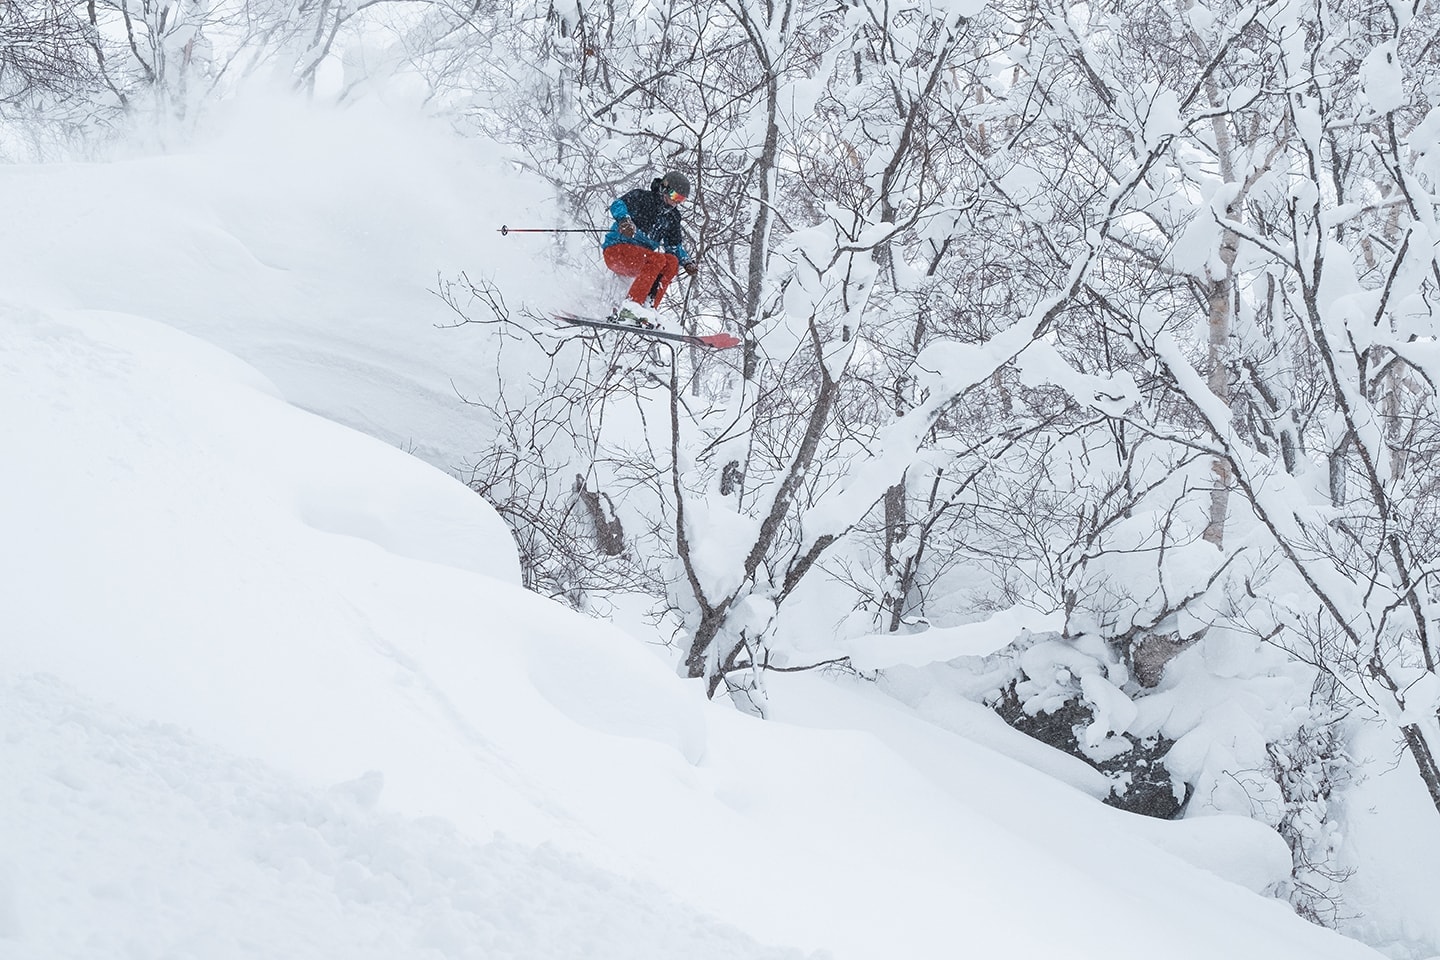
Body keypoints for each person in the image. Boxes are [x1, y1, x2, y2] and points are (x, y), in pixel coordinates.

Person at [602, 171, 698, 325]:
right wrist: (625, 220)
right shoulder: (642, 197)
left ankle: (646, 309)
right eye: (674, 196)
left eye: (680, 200)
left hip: (641, 259)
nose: (675, 203)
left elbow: (673, 247)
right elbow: (617, 205)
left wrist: (686, 261)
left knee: (671, 262)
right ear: (664, 188)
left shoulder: (672, 217)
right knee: (657, 259)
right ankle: (631, 308)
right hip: (617, 250)